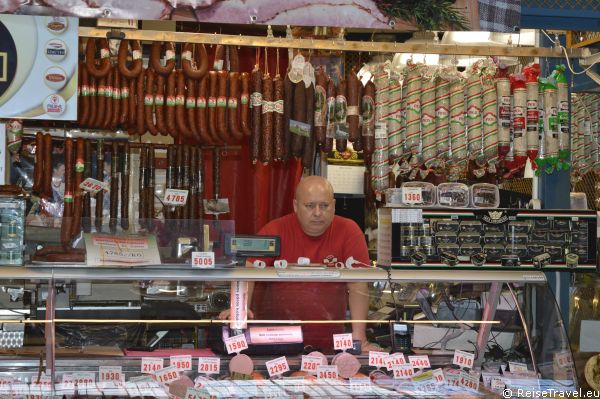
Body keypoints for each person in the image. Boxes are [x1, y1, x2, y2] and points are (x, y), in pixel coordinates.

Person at [223, 175, 375, 353]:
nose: (318, 213)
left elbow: (359, 285)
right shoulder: (275, 230)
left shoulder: (349, 231)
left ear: (334, 205)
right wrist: (240, 311)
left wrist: (359, 338)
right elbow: (248, 272)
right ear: (296, 206)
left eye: (324, 206)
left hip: (331, 341)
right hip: (277, 339)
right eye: (310, 206)